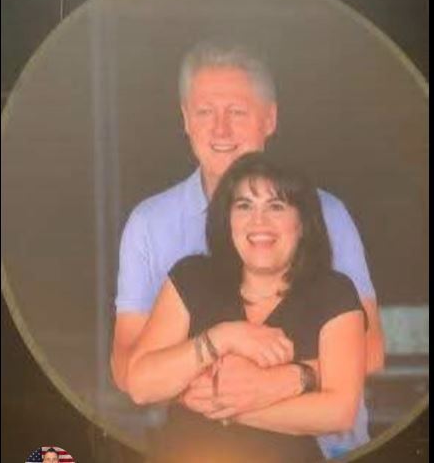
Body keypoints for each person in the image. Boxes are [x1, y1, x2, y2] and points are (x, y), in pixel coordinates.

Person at [111, 41, 384, 458]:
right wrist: (219, 377)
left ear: (269, 119)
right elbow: (129, 372)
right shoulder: (152, 227)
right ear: (185, 119)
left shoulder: (329, 214)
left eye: (237, 112)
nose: (220, 130)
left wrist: (285, 380)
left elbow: (371, 351)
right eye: (205, 112)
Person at [124, 152, 367, 463]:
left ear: (303, 223)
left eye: (276, 206)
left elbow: (339, 411)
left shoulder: (334, 292)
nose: (258, 221)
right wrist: (223, 337)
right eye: (244, 206)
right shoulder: (191, 277)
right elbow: (141, 386)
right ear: (228, 220)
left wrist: (226, 405)